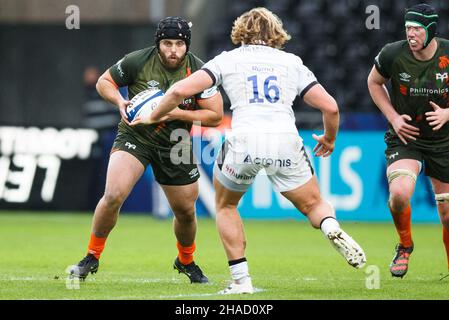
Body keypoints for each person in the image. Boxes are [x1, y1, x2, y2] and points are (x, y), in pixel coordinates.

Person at [132, 7, 366, 294]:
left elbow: (179, 91)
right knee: (314, 205)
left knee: (226, 206)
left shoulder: (228, 60)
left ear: (240, 32)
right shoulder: (291, 62)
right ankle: (330, 226)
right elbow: (330, 106)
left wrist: (155, 115)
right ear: (275, 34)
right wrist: (329, 139)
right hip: (284, 139)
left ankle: (242, 282)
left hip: (243, 141)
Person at [69, 16, 223, 284]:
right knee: (114, 194)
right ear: (158, 43)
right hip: (135, 135)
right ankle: (91, 256)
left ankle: (186, 260)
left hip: (176, 142)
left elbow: (215, 116)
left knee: (186, 211)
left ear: (186, 45)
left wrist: (170, 111)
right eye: (166, 43)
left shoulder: (200, 71)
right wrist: (119, 100)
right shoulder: (137, 60)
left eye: (178, 44)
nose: (173, 50)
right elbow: (103, 82)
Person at [368, 3, 449, 278]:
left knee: (447, 213)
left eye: (416, 29)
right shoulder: (393, 53)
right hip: (406, 138)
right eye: (408, 28)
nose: (411, 34)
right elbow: (373, 83)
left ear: (431, 29)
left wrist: (448, 113)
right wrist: (393, 117)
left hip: (444, 142)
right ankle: (405, 246)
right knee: (399, 195)